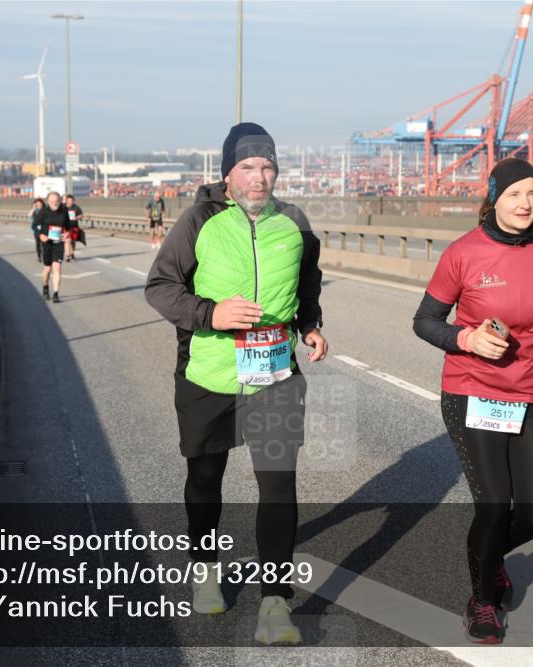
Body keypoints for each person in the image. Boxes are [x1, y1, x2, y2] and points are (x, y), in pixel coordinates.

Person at [145, 122, 327, 645]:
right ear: (227, 173)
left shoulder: (293, 222)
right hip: (209, 372)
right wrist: (211, 313)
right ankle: (204, 563)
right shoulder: (198, 220)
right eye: (248, 166)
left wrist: (310, 324)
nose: (260, 177)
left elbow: (306, 282)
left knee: (278, 484)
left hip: (274, 372)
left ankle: (275, 604)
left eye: (268, 166)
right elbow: (160, 288)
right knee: (206, 479)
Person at [412, 158, 533, 645]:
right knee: (493, 504)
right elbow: (424, 321)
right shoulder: (464, 253)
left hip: (532, 391)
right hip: (473, 392)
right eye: (514, 195)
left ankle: (487, 558)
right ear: (495, 198)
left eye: (532, 193)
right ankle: (483, 597)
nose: (526, 203)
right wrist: (465, 340)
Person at [34, 191, 68, 303]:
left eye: (57, 201)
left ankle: (56, 293)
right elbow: (34, 225)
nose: (55, 203)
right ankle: (45, 287)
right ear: (48, 201)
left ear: (60, 201)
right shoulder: (43, 212)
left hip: (58, 242)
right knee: (47, 269)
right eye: (52, 201)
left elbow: (68, 226)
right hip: (47, 243)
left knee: (57, 268)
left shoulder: (64, 210)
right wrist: (41, 235)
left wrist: (67, 233)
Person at [64, 194, 83, 262]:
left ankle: (72, 253)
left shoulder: (76, 207)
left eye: (71, 201)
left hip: (74, 226)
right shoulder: (63, 207)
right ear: (66, 201)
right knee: (67, 240)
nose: (69, 202)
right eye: (68, 201)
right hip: (65, 227)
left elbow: (81, 215)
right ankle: (67, 256)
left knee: (73, 241)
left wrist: (77, 217)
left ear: (73, 201)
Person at [29, 197, 45, 263]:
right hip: (36, 229)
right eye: (37, 204)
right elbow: (29, 215)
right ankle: (39, 256)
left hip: (44, 229)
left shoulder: (45, 210)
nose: (39, 205)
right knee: (38, 243)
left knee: (44, 243)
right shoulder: (34, 211)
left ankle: (44, 256)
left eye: (40, 203)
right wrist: (33, 208)